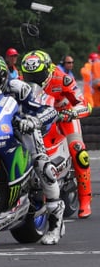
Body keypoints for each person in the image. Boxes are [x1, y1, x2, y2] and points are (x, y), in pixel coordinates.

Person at [0, 53, 62, 244]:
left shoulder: (18, 88)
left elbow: (47, 110)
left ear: (2, 77)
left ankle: (55, 224)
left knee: (43, 167)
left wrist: (33, 120)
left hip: (23, 130)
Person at [20, 50, 92, 218]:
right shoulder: (20, 81)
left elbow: (85, 104)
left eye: (38, 75)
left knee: (78, 150)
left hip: (63, 117)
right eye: (30, 76)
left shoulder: (62, 78)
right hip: (37, 119)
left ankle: (85, 200)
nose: (33, 80)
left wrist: (72, 113)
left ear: (47, 70)